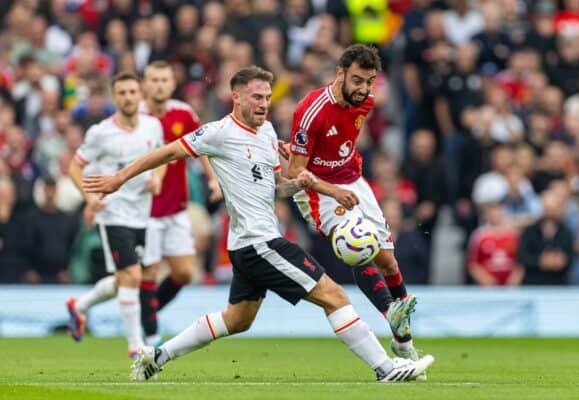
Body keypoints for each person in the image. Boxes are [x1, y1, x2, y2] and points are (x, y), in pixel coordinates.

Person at [82, 66, 434, 382]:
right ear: (236, 97)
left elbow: (278, 186)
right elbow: (168, 151)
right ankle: (385, 368)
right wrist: (119, 178)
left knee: (237, 320)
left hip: (247, 245)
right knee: (334, 296)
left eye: (267, 96)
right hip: (259, 243)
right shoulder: (218, 133)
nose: (264, 103)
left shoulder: (266, 132)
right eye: (256, 96)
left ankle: (157, 356)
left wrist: (306, 183)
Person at [279, 44, 420, 360]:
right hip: (319, 192)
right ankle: (391, 314)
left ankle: (403, 339)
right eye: (357, 80)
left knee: (388, 262)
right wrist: (333, 191)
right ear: (340, 73)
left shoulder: (366, 102)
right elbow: (297, 172)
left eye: (369, 81)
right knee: (358, 248)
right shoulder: (310, 111)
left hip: (354, 181)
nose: (364, 89)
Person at [69, 61, 223, 347]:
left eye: (165, 80)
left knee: (183, 272)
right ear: (145, 85)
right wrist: (91, 200)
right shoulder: (120, 123)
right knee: (139, 275)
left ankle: (95, 306)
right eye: (153, 80)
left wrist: (211, 179)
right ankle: (146, 337)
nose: (159, 85)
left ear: (172, 83)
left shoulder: (179, 115)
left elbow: (193, 149)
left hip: (175, 207)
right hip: (141, 212)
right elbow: (83, 165)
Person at [65, 71, 165, 357]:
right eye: (121, 93)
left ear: (141, 94)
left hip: (141, 214)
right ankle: (136, 348)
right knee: (133, 275)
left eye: (132, 92)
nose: (128, 97)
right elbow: (75, 166)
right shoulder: (101, 133)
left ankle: (79, 305)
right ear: (114, 97)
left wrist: (157, 176)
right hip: (113, 213)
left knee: (126, 278)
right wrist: (90, 199)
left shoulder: (152, 127)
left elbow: (161, 159)